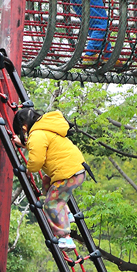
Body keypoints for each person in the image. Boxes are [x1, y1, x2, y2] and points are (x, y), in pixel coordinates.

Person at [13, 107, 86, 250]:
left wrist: (29, 169)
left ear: (24, 126)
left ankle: (66, 238)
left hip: (67, 174)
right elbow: (41, 148)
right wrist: (23, 143)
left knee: (51, 204)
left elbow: (37, 161)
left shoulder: (36, 134)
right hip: (76, 171)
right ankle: (66, 213)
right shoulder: (46, 128)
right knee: (47, 181)